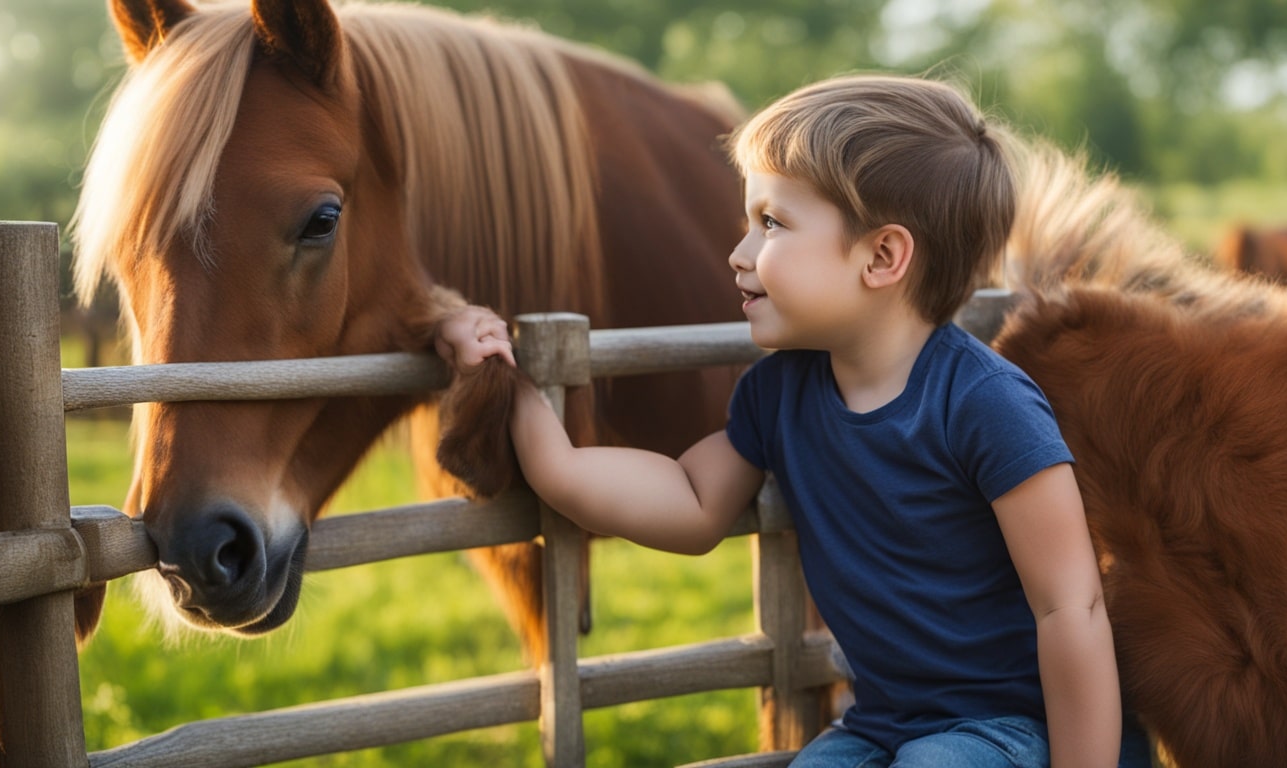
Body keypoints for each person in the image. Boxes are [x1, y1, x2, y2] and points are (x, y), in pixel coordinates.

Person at [435, 73, 1150, 767]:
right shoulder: (780, 393)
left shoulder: (986, 404)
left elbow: (1071, 608)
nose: (738, 254)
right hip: (882, 726)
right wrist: (517, 393)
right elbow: (690, 501)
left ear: (882, 256)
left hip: (1011, 728)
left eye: (769, 224)